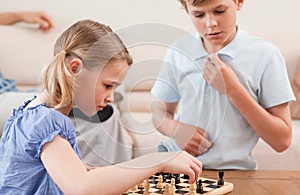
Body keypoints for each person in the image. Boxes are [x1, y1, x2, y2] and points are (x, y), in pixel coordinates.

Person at [0, 19, 202, 194]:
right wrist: (157, 161)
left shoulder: (27, 113)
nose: (110, 98)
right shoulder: (45, 123)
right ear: (75, 68)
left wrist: (87, 170)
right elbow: (82, 188)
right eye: (107, 86)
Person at [151, 0, 295, 170]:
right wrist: (174, 129)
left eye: (219, 11)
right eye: (198, 15)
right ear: (187, 10)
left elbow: (282, 141)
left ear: (239, 1)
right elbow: (159, 112)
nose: (210, 24)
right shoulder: (178, 51)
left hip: (235, 173)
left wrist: (233, 90)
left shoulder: (266, 56)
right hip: (178, 166)